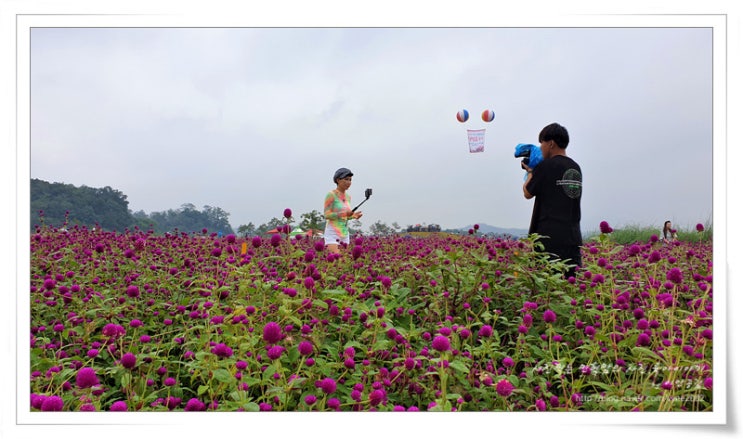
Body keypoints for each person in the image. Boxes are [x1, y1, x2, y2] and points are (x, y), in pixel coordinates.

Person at [522, 122, 583, 278]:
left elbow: (527, 193)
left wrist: (530, 172)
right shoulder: (575, 168)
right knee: (570, 287)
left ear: (551, 144)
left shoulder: (545, 166)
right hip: (572, 238)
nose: (540, 147)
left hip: (549, 239)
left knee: (548, 288)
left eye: (541, 143)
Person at [324, 167, 363, 253]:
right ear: (338, 180)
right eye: (346, 179)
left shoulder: (348, 197)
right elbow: (326, 215)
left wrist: (353, 216)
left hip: (345, 233)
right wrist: (344, 213)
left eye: (350, 180)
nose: (349, 182)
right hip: (333, 232)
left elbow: (345, 216)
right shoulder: (331, 195)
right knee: (336, 259)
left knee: (344, 261)